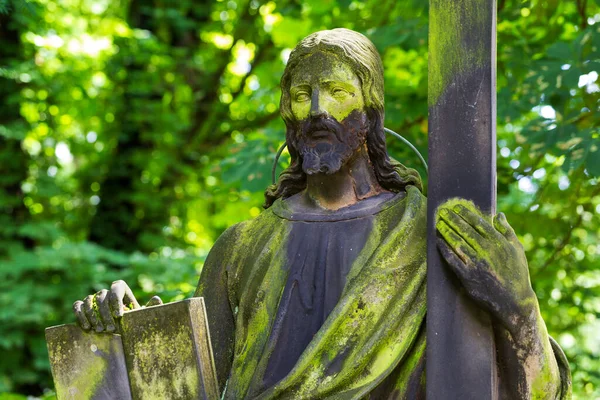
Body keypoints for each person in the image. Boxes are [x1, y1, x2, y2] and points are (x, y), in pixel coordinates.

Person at [73, 28, 571, 399]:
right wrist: (128, 332)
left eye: (336, 91)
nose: (317, 109)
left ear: (371, 108)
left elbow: (538, 394)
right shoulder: (240, 249)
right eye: (299, 94)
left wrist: (519, 305)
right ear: (286, 115)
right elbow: (186, 388)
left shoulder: (432, 239)